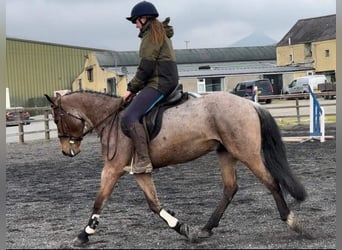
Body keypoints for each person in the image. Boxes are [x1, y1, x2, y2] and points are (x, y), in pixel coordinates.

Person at [122, 1, 179, 174]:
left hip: (160, 82)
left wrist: (131, 89)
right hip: (162, 79)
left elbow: (146, 67)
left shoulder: (151, 35)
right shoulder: (158, 32)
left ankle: (144, 161)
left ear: (144, 18)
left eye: (136, 22)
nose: (135, 26)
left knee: (130, 115)